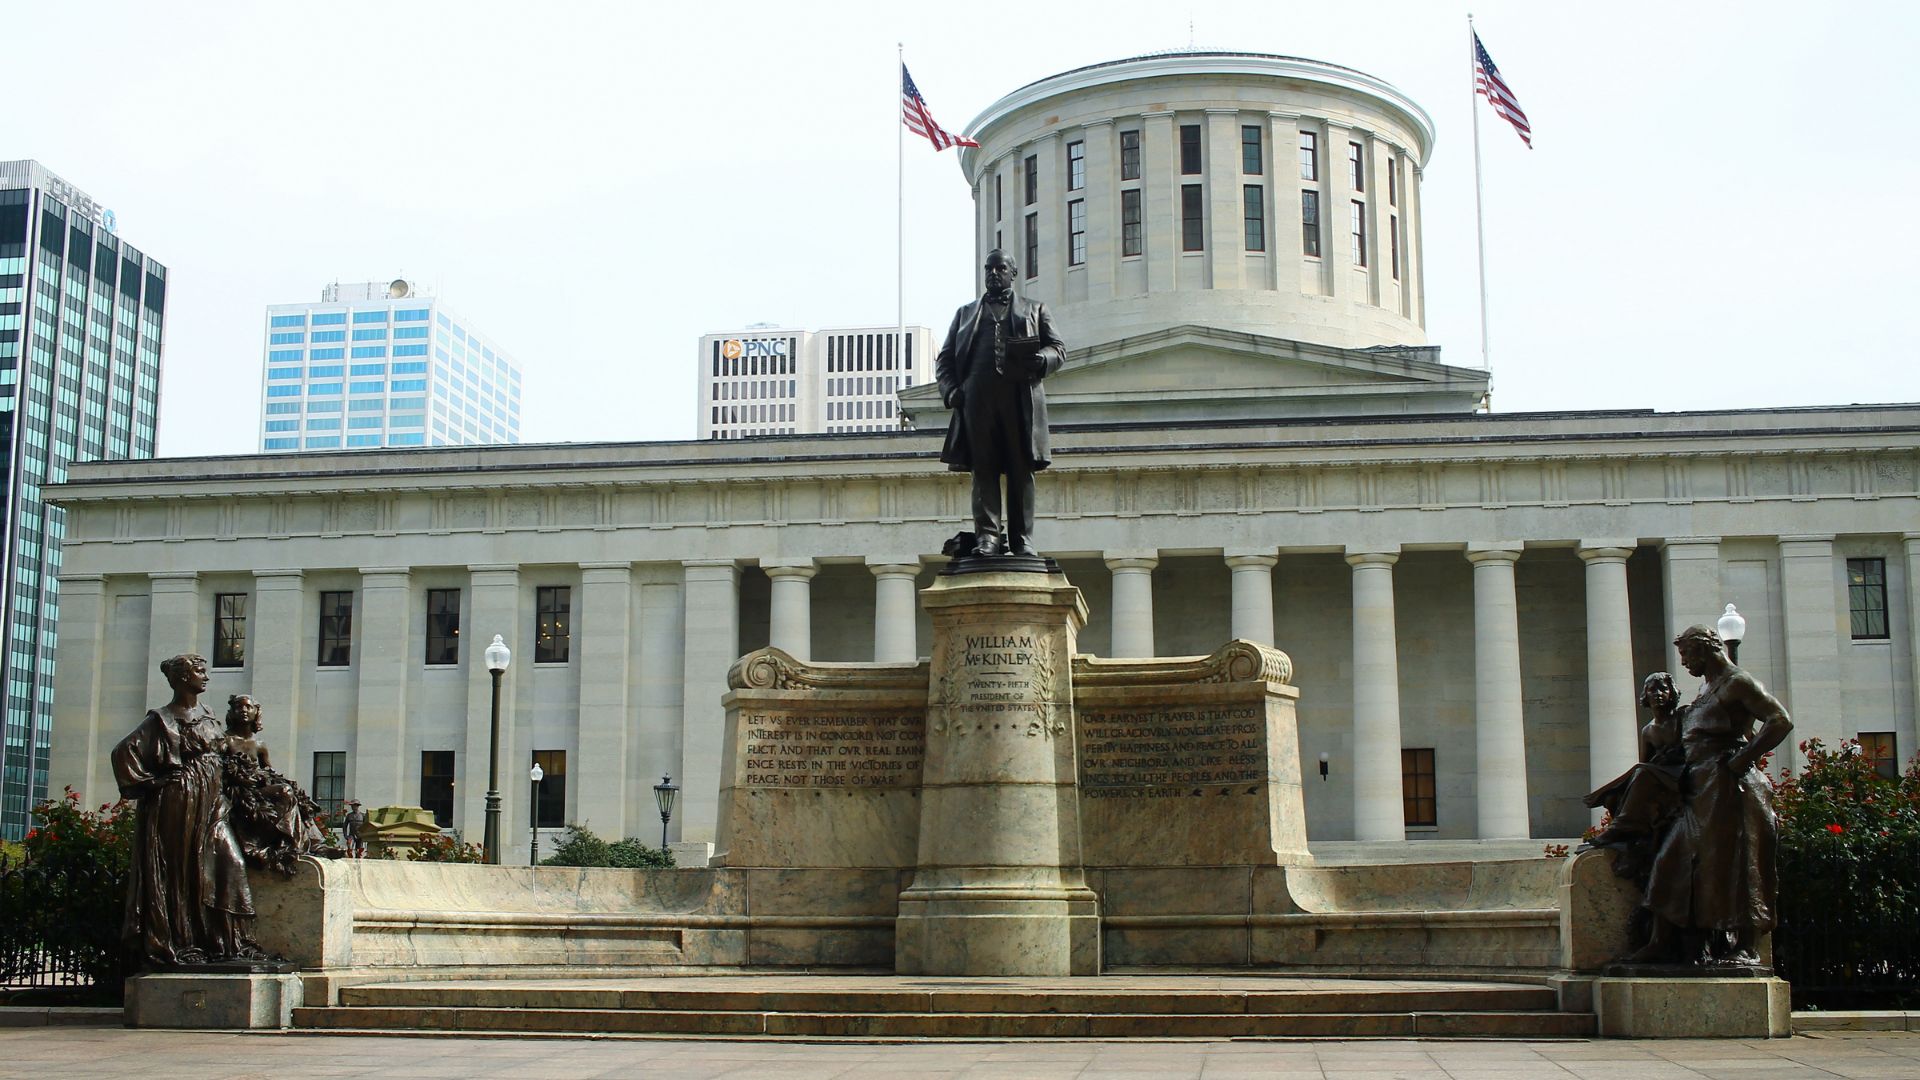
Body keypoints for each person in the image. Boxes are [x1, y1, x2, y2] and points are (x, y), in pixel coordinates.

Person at [1626, 625, 1793, 965]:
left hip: (1732, 789)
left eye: (1687, 654)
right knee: (1671, 859)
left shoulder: (1738, 682)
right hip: (1699, 789)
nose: (1684, 662)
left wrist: (1743, 759)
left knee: (1740, 864)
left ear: (1706, 649)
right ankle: (1662, 940)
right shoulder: (1706, 689)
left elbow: (1780, 720)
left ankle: (1746, 946)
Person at [112, 654, 259, 966]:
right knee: (182, 871)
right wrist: (153, 781)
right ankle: (185, 940)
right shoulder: (162, 719)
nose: (205, 676)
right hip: (181, 801)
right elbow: (123, 751)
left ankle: (228, 943)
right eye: (199, 672)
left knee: (229, 861)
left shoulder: (208, 713)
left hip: (214, 800)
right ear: (181, 678)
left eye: (205, 671)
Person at [934, 249, 1066, 558]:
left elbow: (1058, 348)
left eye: (1000, 269)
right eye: (989, 269)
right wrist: (951, 391)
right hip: (977, 402)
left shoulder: (1036, 309)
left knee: (1021, 471)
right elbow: (945, 360)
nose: (993, 274)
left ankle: (1022, 540)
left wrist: (1042, 359)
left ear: (1013, 274)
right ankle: (988, 537)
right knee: (983, 470)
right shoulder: (966, 314)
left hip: (1020, 401)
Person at [218, 694, 334, 873]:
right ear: (232, 712)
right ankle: (298, 845)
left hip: (259, 789)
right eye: (239, 707)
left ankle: (316, 844)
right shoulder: (226, 740)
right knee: (285, 792)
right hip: (239, 791)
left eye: (248, 707)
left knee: (296, 798)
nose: (243, 711)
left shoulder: (259, 744)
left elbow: (269, 771)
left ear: (256, 713)